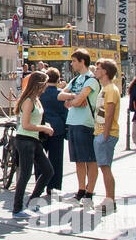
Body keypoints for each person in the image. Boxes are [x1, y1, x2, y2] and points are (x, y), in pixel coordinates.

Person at [58, 48, 100, 205]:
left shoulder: (91, 79)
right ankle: (81, 189)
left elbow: (80, 100)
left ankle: (89, 192)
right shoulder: (75, 80)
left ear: (82, 62)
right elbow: (60, 95)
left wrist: (72, 101)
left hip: (86, 123)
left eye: (74, 61)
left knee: (90, 159)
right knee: (78, 160)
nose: (71, 63)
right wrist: (73, 98)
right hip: (73, 122)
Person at [11, 71, 54, 218]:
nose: (46, 87)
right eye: (45, 83)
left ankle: (32, 201)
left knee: (48, 171)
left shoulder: (36, 99)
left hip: (32, 139)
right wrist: (44, 128)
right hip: (25, 139)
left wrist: (43, 125)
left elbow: (34, 121)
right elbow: (26, 124)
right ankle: (17, 209)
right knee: (26, 174)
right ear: (39, 84)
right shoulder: (29, 100)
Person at [90, 59, 121, 213]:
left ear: (106, 71)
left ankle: (110, 199)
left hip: (105, 133)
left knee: (105, 167)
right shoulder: (105, 88)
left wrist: (106, 134)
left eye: (98, 68)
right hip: (102, 132)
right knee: (104, 167)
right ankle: (110, 199)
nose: (96, 70)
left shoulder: (110, 89)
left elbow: (109, 113)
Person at [39, 68, 68, 196]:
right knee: (56, 158)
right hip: (57, 129)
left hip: (41, 128)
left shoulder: (40, 93)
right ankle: (53, 186)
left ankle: (40, 182)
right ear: (58, 79)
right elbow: (65, 112)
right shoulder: (61, 94)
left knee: (39, 158)